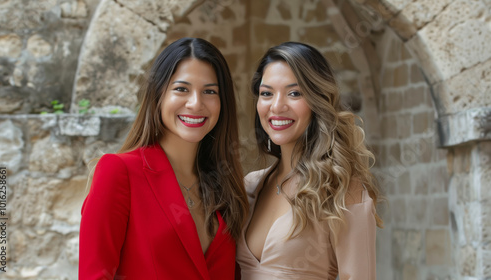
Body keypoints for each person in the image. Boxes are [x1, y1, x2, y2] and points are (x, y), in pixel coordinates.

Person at [79, 37, 249, 280]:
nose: (195, 103)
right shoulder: (119, 172)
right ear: (158, 95)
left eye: (209, 91)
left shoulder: (226, 184)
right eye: (182, 89)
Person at [236, 42, 383, 279]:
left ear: (317, 100)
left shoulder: (343, 189)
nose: (277, 106)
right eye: (266, 93)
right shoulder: (249, 186)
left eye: (294, 93)